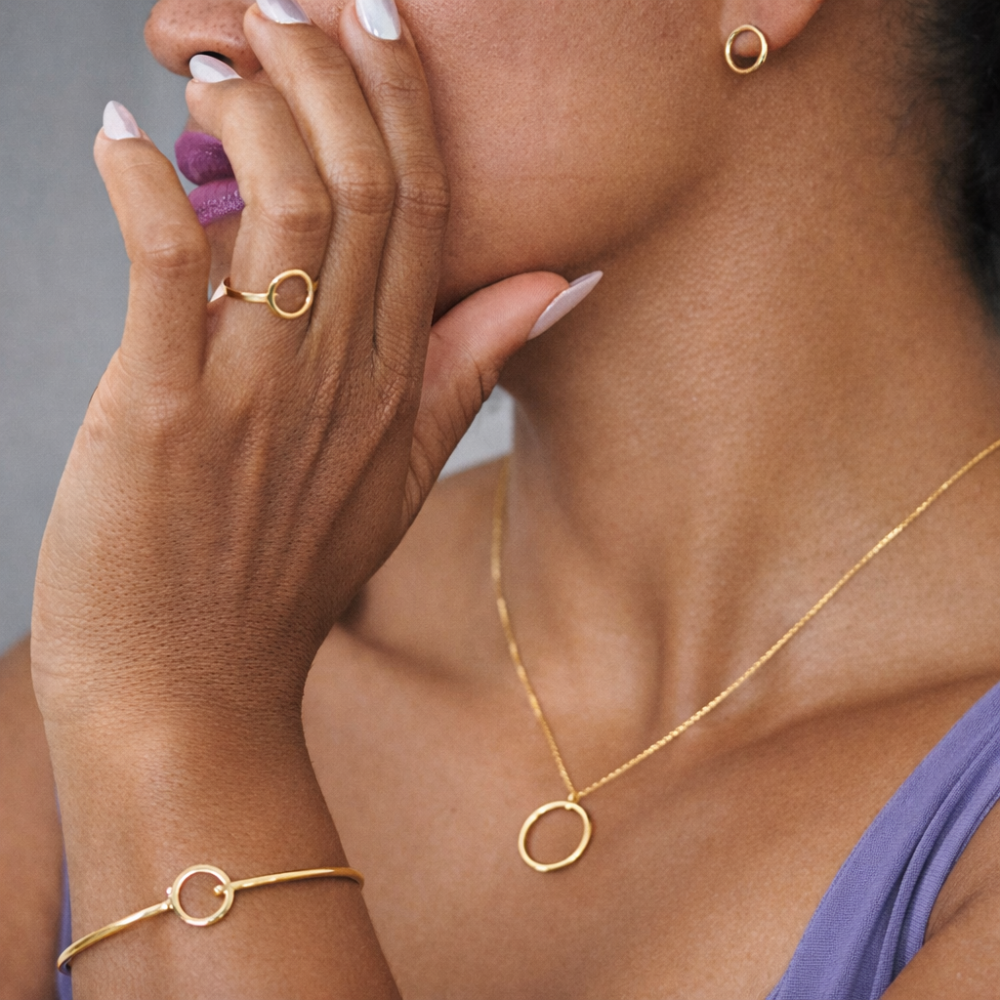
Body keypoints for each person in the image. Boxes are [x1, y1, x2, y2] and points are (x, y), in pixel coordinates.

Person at [2, 0, 999, 996]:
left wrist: (186, 739)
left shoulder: (142, 682)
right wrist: (165, 701)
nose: (185, 28)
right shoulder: (93, 696)